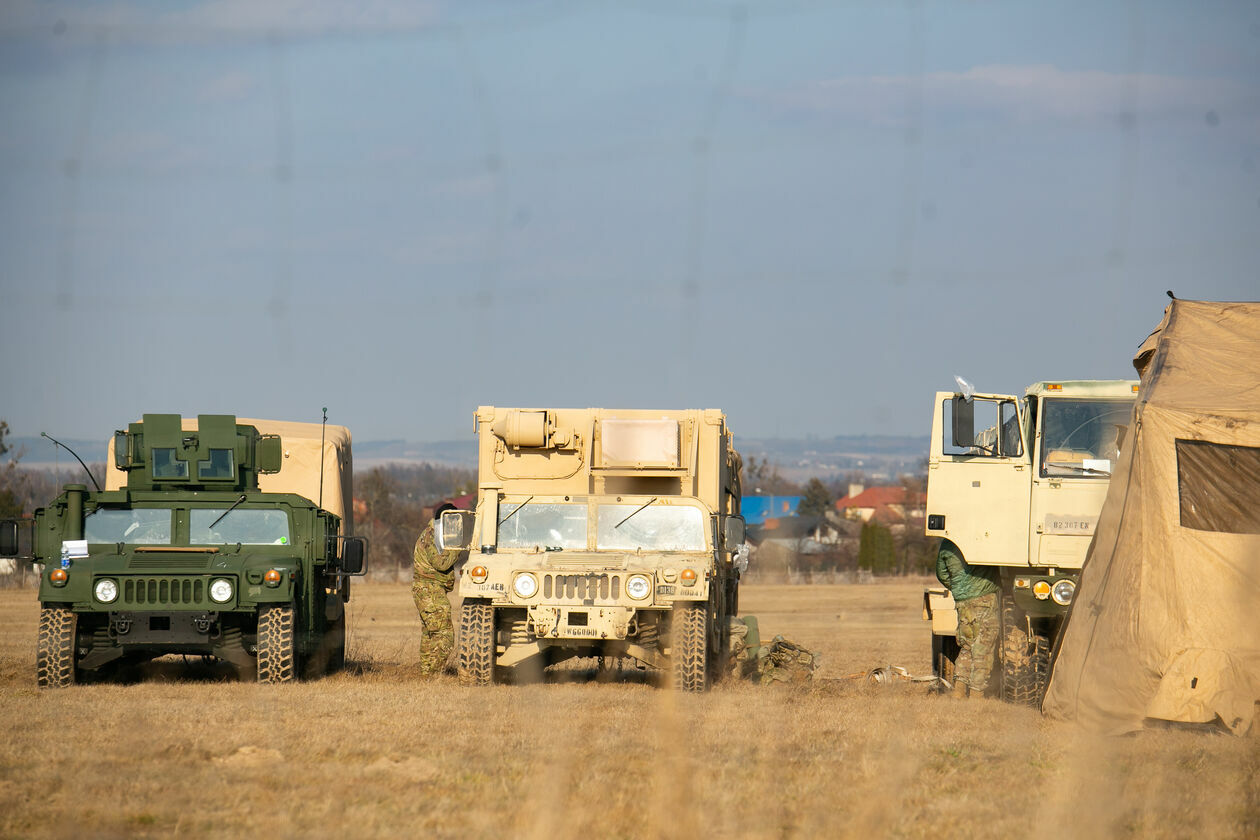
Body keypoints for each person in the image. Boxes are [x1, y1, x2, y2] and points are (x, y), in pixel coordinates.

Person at [936, 539, 1000, 698]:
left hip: (962, 603)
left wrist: (958, 588)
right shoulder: (983, 537)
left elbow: (941, 573)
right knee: (982, 648)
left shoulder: (947, 544)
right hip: (984, 600)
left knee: (967, 646)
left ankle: (959, 690)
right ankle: (976, 694)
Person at [412, 503, 460, 676]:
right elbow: (441, 563)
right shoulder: (432, 536)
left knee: (430, 635)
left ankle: (427, 674)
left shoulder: (432, 533)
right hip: (429, 590)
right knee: (444, 636)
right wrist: (456, 548)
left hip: (428, 589)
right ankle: (433, 672)